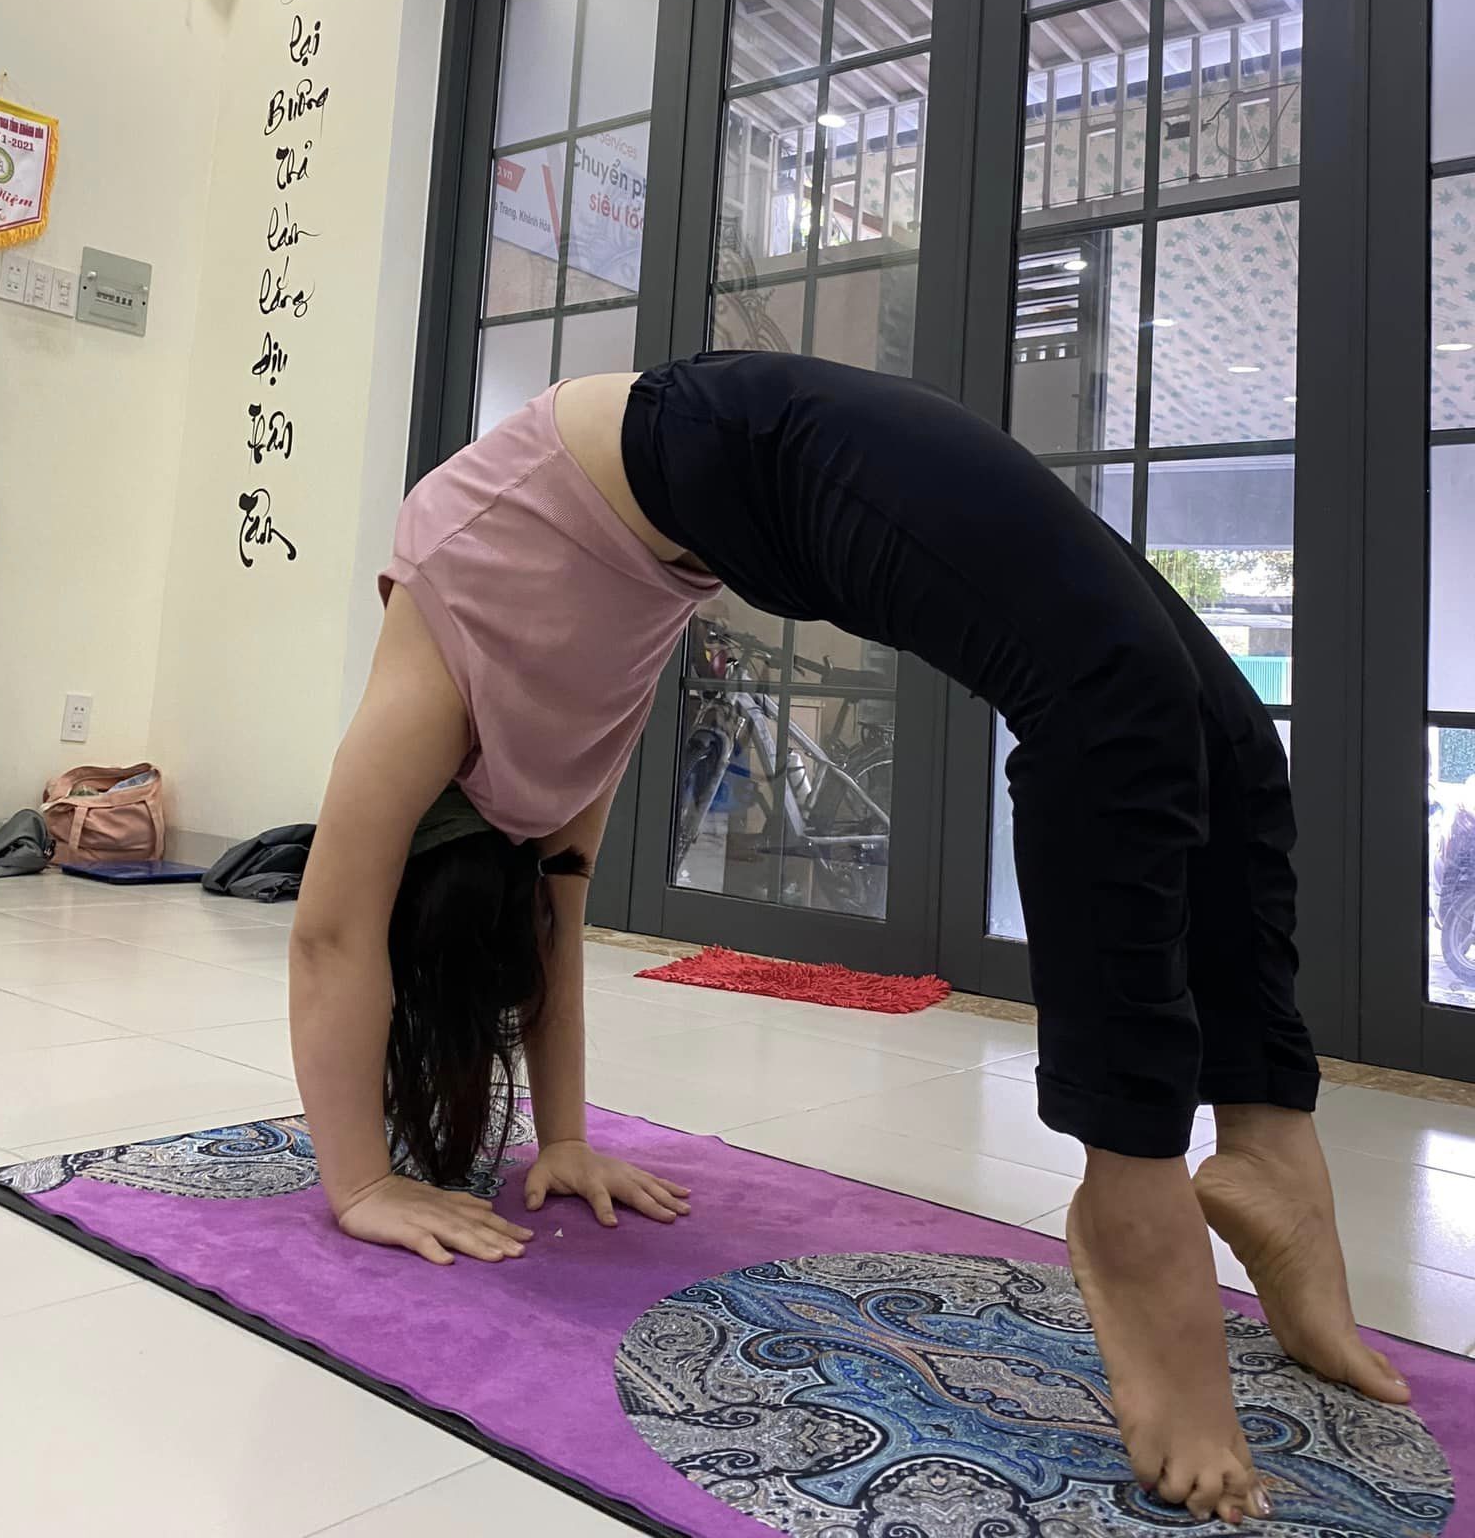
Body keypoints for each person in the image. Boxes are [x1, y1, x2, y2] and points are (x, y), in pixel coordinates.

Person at [291, 350, 1408, 1527]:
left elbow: (330, 932)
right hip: (712, 499)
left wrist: (359, 1179)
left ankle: (1200, 1169)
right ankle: (1203, 1167)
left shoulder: (434, 658)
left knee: (1167, 709)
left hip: (712, 440)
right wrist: (558, 1140)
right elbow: (554, 916)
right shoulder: (520, 793)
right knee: (1169, 711)